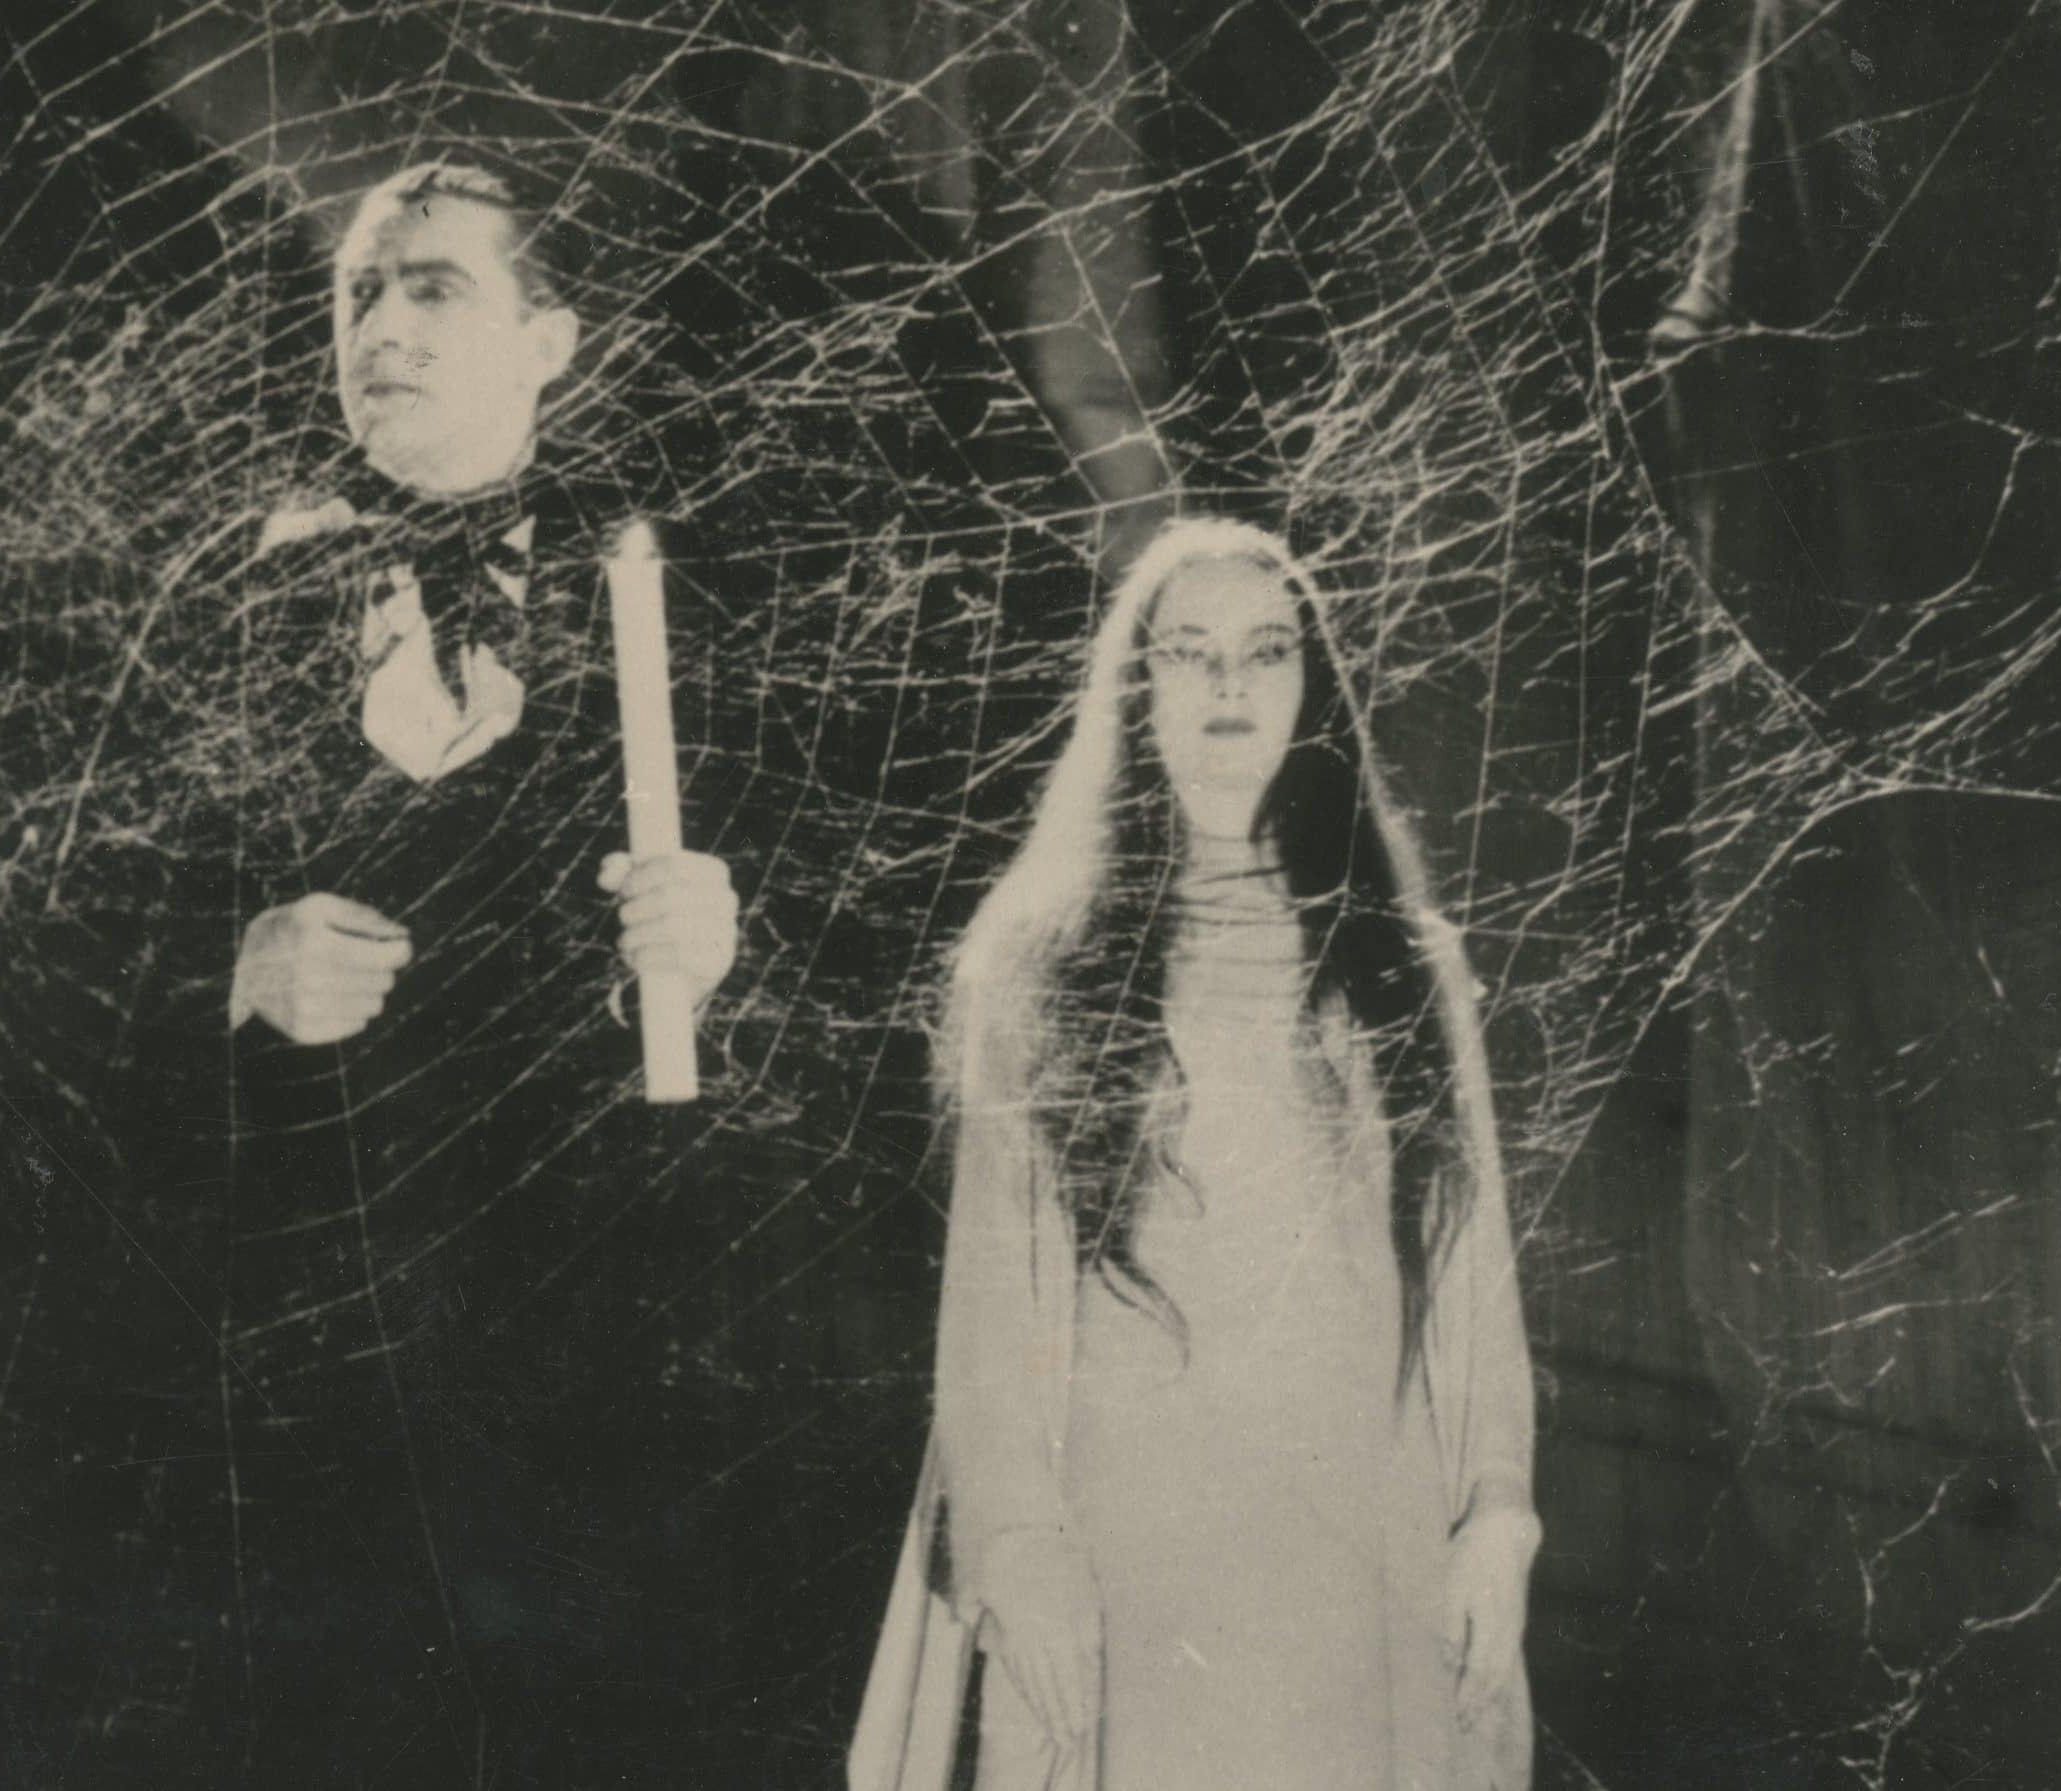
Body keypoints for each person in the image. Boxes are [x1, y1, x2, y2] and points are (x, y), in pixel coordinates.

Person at [103, 157, 752, 1784]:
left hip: (588, 1367)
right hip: (301, 1371)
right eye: (358, 294)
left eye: (434, 287)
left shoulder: (679, 600)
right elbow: (69, 946)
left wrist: (723, 957)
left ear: (551, 338)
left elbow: (839, 991)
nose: (379, 327)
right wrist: (230, 967)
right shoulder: (229, 600)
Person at [850, 516, 1541, 1791]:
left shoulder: (1410, 964)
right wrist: (1018, 1543)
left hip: (1360, 1547)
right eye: (1189, 651)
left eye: (1268, 650)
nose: (1230, 684)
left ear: (1312, 687)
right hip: (1130, 1568)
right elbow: (986, 1305)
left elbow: (1470, 1259)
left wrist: (1498, 1509)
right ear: (1136, 687)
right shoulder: (1032, 965)